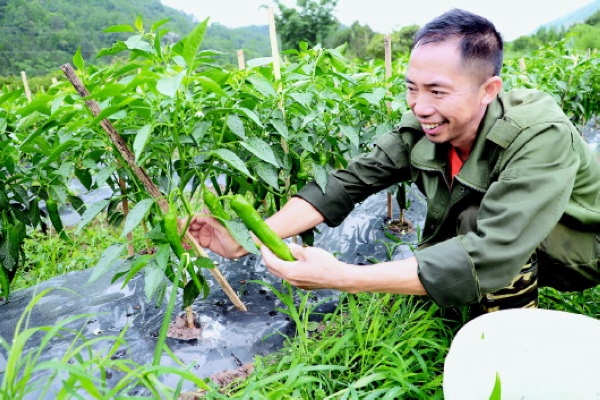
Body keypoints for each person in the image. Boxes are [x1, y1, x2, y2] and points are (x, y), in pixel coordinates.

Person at [189, 9, 600, 315]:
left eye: (438, 91)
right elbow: (347, 183)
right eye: (411, 88)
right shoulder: (422, 128)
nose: (420, 106)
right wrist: (246, 239)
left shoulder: (538, 133)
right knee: (464, 232)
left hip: (581, 247)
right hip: (511, 240)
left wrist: (345, 278)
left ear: (488, 90)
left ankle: (509, 337)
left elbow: (492, 251)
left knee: (479, 223)